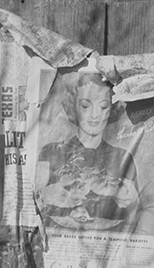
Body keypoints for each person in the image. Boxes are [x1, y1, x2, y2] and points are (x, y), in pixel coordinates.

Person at [35, 71, 139, 231]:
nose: (95, 115)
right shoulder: (49, 152)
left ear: (111, 109)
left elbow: (134, 213)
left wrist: (125, 197)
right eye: (85, 105)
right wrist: (48, 195)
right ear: (73, 106)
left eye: (103, 106)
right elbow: (34, 205)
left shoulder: (123, 156)